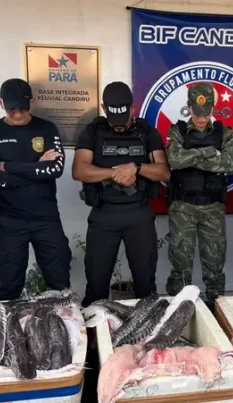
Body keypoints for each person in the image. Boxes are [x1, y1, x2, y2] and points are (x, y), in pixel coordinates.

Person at [72, 81, 170, 308]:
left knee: (146, 285)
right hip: (104, 214)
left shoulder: (147, 132)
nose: (118, 126)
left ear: (133, 109)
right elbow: (79, 170)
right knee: (96, 285)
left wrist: (136, 167)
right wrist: (115, 172)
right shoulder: (92, 131)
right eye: (113, 118)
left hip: (139, 214)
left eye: (123, 119)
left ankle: (146, 329)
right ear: (104, 108)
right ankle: (96, 330)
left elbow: (164, 172)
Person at [0, 78, 72, 300]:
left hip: (46, 218)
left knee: (59, 281)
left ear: (32, 103)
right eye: (12, 109)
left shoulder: (46, 128)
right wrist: (37, 167)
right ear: (1, 103)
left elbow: (55, 169)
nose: (18, 114)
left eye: (23, 108)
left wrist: (9, 167)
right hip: (9, 220)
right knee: (8, 285)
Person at [165, 83, 233, 308]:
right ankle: (179, 312)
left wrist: (191, 157)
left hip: (212, 209)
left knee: (215, 266)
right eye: (197, 113)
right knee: (181, 266)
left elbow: (231, 163)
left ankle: (216, 312)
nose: (202, 118)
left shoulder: (224, 133)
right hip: (183, 208)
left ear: (212, 108)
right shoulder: (177, 131)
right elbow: (175, 160)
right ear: (189, 107)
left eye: (206, 113)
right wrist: (208, 152)